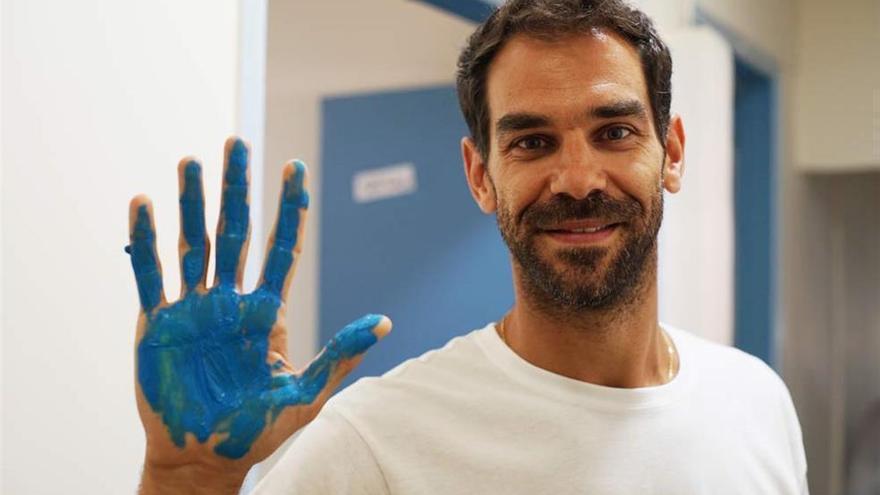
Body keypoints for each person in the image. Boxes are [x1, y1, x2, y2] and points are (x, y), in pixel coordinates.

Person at [128, 1, 808, 493]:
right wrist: (182, 479)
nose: (576, 180)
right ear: (481, 174)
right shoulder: (374, 446)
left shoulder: (756, 403)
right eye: (532, 142)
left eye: (615, 132)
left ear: (673, 152)